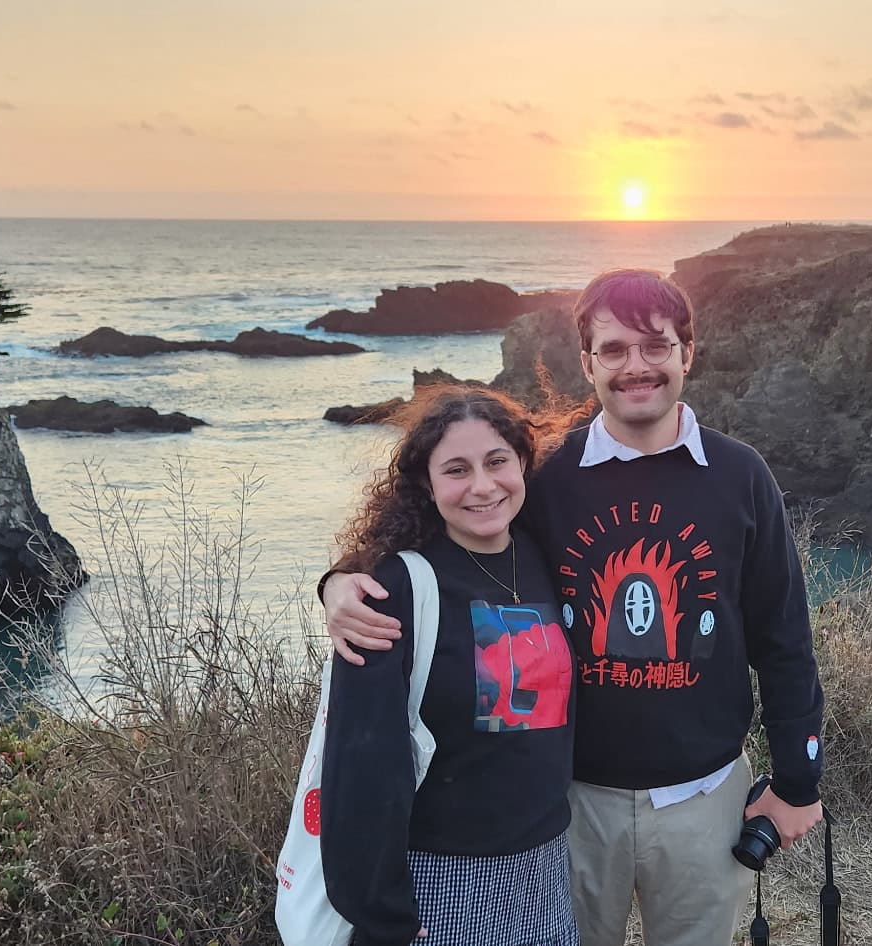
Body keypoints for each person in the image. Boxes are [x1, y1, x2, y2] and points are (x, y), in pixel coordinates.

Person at [324, 269, 824, 946]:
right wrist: (341, 580)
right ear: (587, 363)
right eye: (613, 350)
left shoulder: (741, 476)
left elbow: (783, 636)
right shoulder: (548, 479)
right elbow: (452, 539)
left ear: (687, 353)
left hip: (705, 798)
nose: (636, 366)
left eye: (656, 345)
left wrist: (798, 779)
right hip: (571, 806)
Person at [318, 386, 579, 946]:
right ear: (426, 483)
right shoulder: (395, 589)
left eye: (497, 461)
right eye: (457, 470)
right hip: (441, 880)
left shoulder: (541, 556)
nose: (482, 486)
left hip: (547, 864)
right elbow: (360, 759)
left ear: (523, 463)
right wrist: (382, 909)